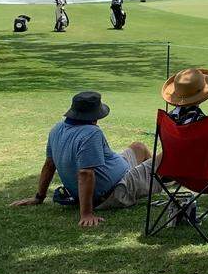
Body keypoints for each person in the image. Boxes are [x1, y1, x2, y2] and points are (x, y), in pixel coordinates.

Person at [11, 91, 157, 226]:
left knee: (139, 147)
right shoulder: (91, 133)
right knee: (163, 159)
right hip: (116, 190)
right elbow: (85, 173)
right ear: (94, 116)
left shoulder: (57, 129)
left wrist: (39, 197)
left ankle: (153, 181)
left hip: (115, 176)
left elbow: (49, 164)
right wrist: (86, 214)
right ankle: (159, 181)